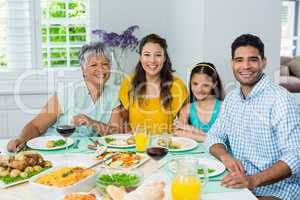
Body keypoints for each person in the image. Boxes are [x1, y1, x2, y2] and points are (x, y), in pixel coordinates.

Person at [206, 34, 300, 200]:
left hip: (277, 191)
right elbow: (214, 136)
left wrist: (252, 180)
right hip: (238, 185)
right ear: (232, 63)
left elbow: (295, 156)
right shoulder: (232, 98)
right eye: (239, 60)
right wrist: (225, 155)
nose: (245, 66)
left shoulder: (281, 99)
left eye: (253, 60)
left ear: (264, 62)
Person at [7, 42, 124, 152]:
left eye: (105, 64)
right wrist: (21, 140)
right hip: (55, 150)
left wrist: (92, 122)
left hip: (90, 153)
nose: (101, 69)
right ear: (83, 70)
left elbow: (116, 134)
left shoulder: (113, 95)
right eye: (94, 65)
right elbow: (36, 126)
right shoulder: (68, 92)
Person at [119, 33, 188, 134]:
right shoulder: (128, 83)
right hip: (136, 146)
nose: (152, 60)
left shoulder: (177, 86)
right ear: (140, 57)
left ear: (164, 58)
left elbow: (184, 126)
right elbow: (122, 121)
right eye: (147, 55)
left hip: (164, 147)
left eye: (158, 55)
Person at [174, 62, 224, 142]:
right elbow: (178, 133)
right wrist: (206, 136)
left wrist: (190, 130)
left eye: (205, 85)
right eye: (195, 84)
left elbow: (223, 140)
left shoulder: (223, 107)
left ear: (214, 84)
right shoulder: (187, 109)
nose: (199, 89)